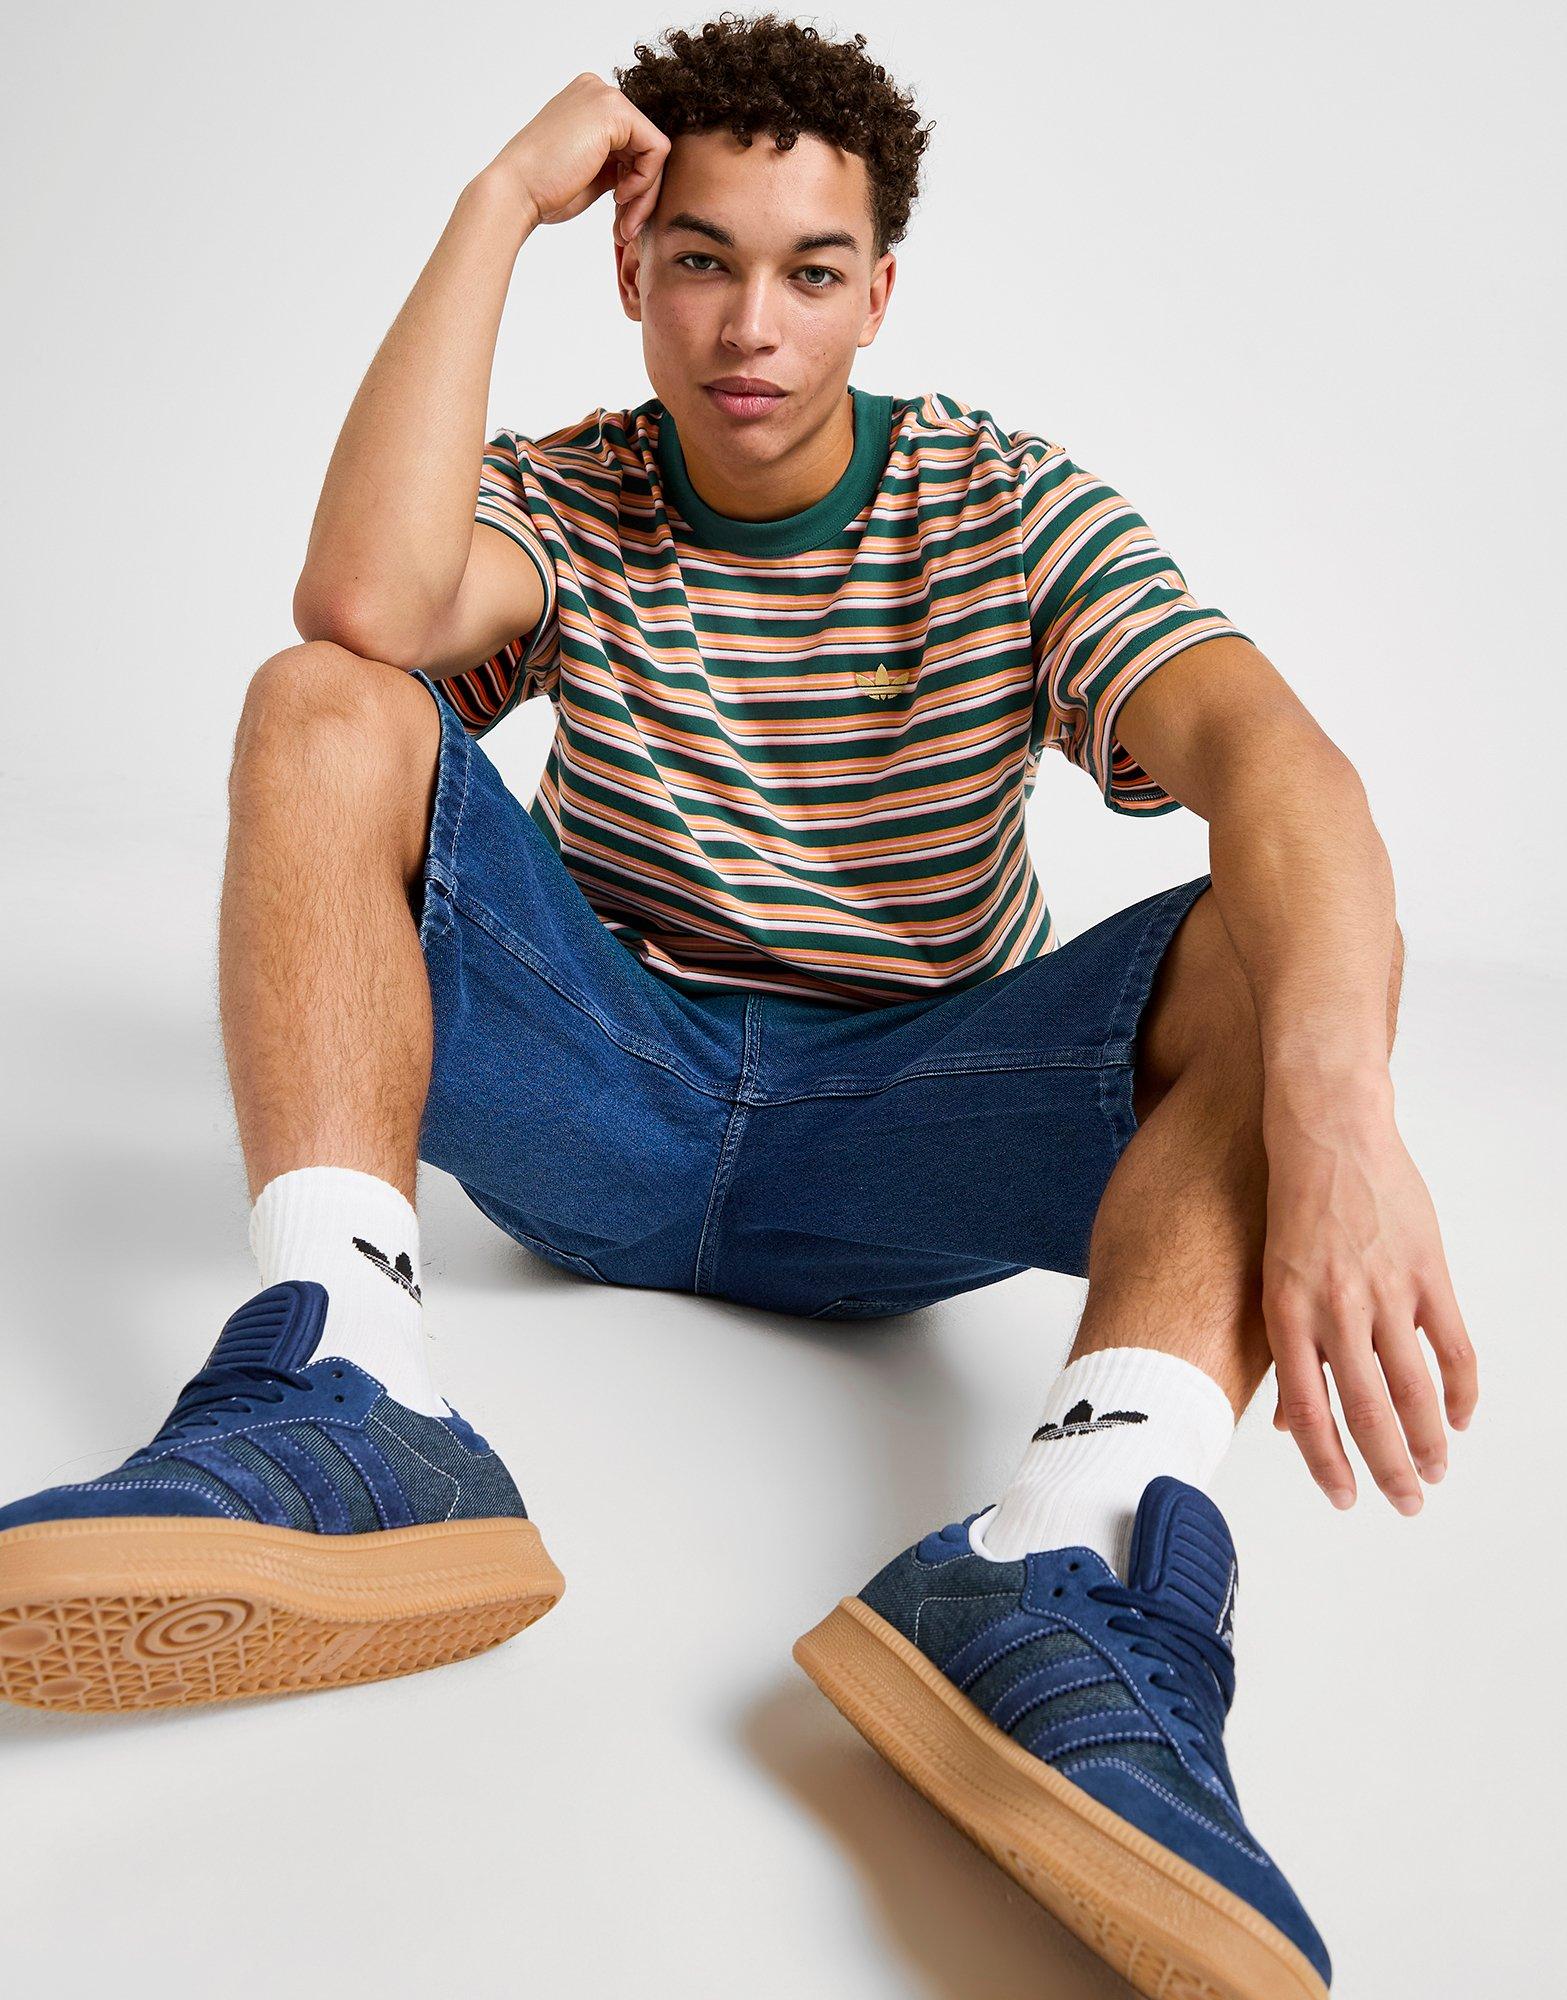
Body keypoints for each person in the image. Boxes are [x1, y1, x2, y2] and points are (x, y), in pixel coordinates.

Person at [0, 16, 1476, 1997]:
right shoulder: (572, 493)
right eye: (699, 259)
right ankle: (350, 1375)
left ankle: (1074, 1544)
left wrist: (1341, 1109)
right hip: (605, 1099)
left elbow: (1283, 768)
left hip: (909, 1137)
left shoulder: (1002, 503)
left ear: (878, 293)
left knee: (1270, 935)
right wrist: (493, 204)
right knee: (322, 704)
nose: (749, 325)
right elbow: (361, 616)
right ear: (632, 269)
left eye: (807, 269)